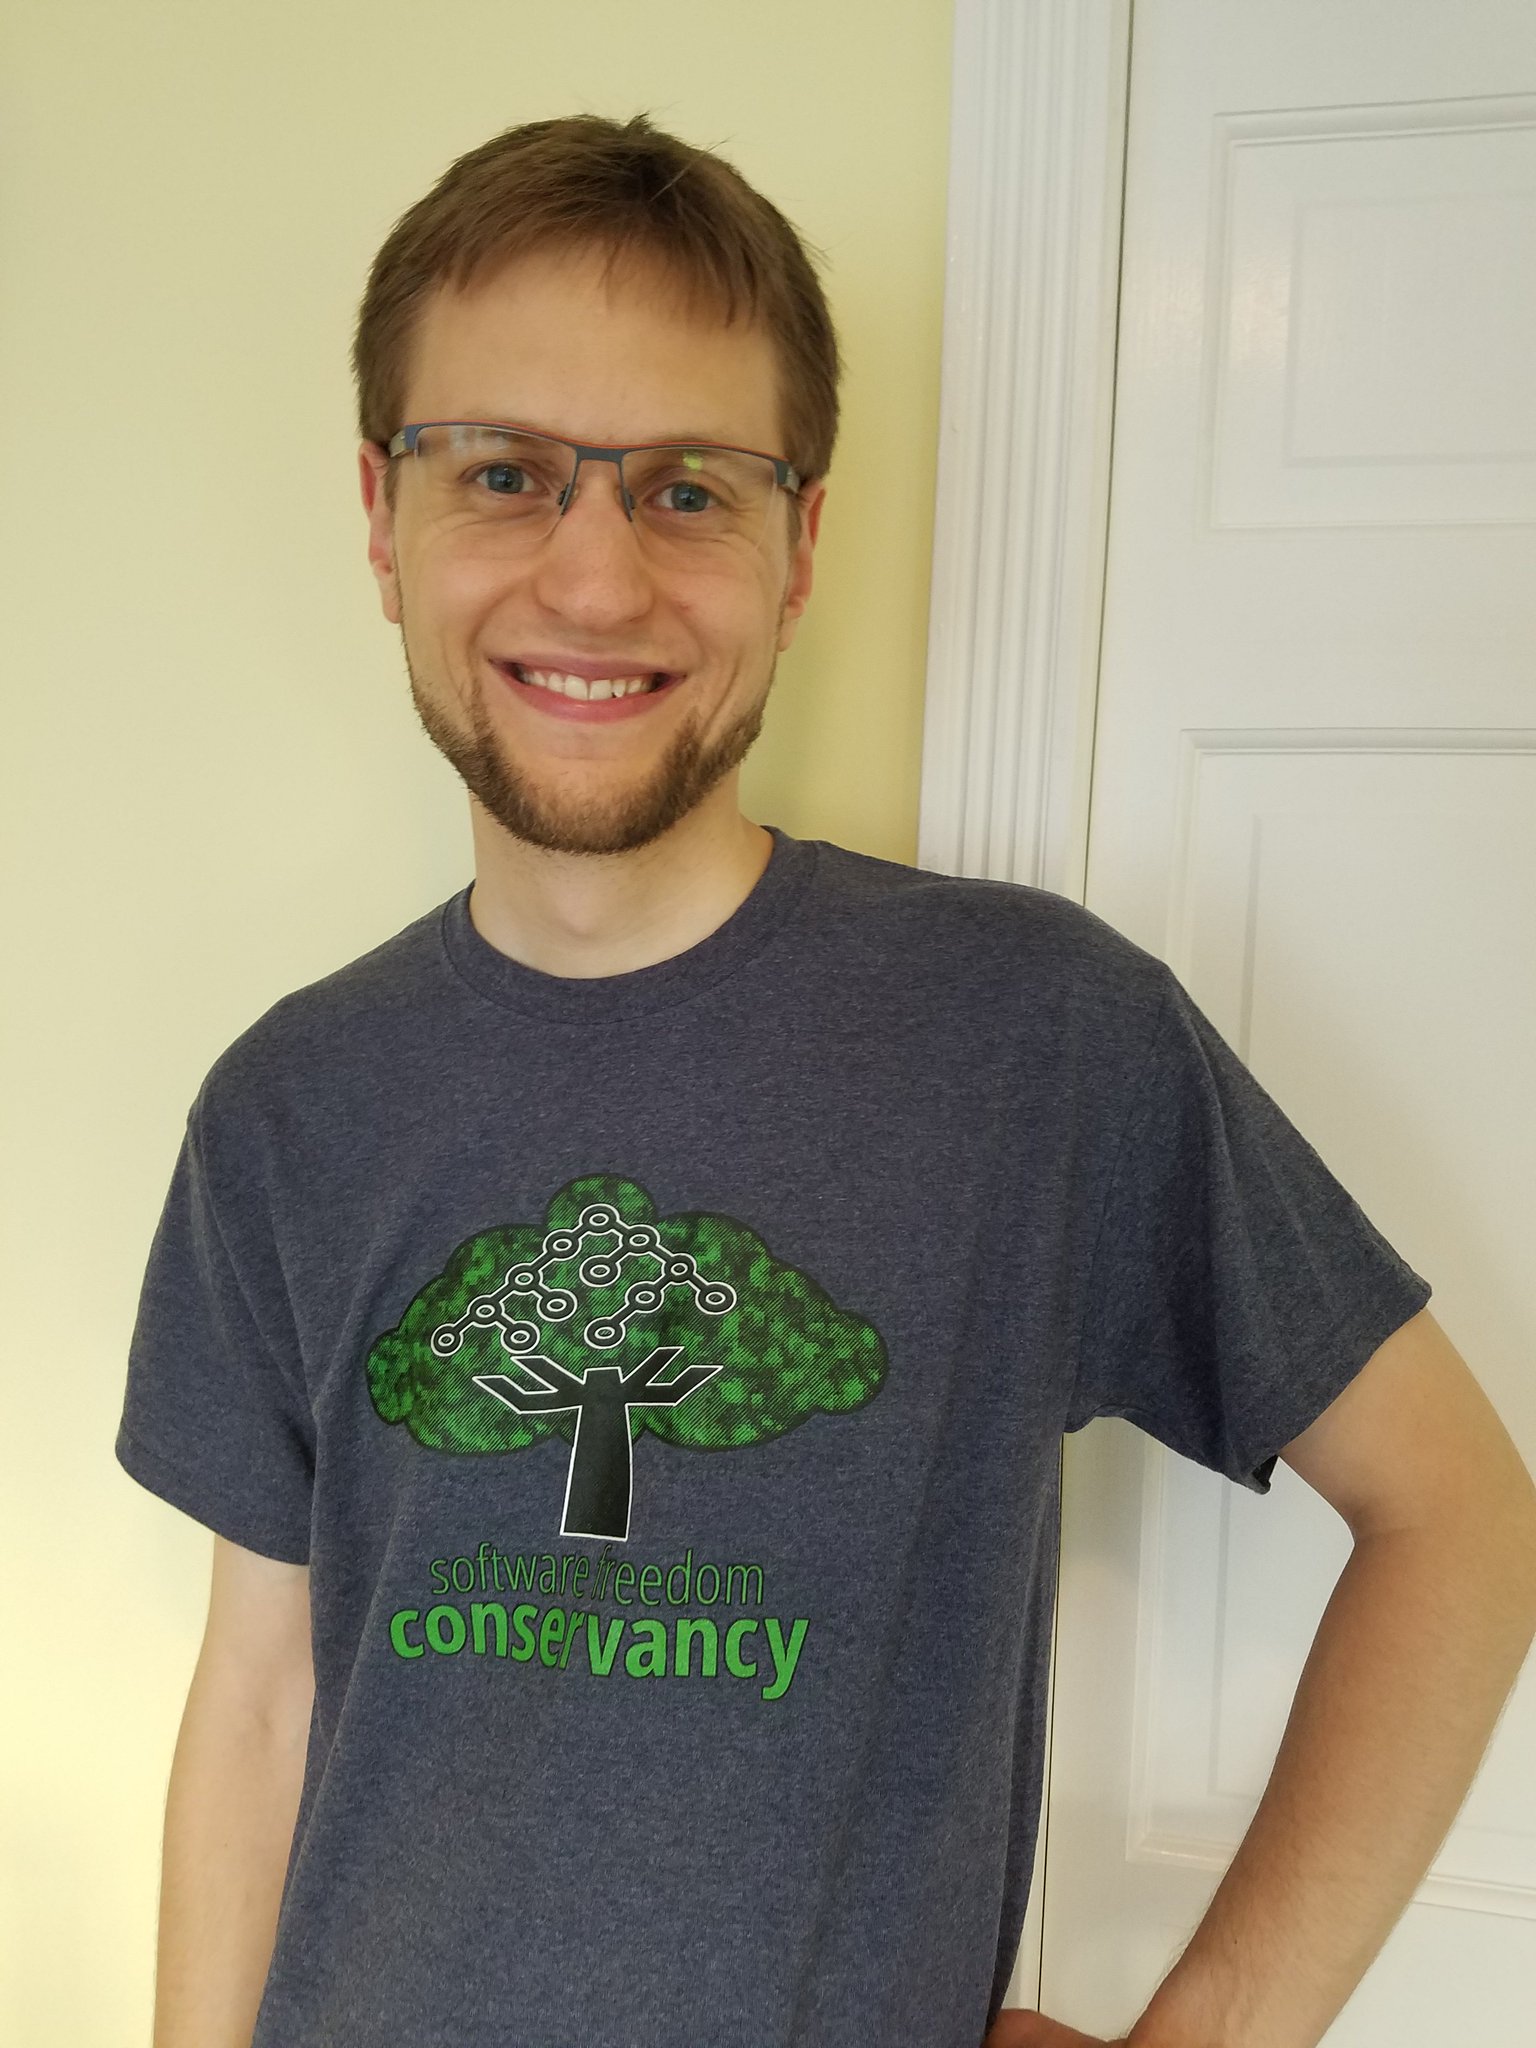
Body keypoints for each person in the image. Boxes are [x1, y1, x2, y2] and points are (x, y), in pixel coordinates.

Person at [115, 112, 1536, 2048]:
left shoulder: (1036, 1038)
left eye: (689, 488)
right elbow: (261, 1697)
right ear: (383, 516)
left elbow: (1461, 1518)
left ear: (800, 550)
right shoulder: (287, 1105)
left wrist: (1212, 2033)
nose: (595, 581)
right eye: (505, 472)